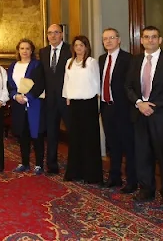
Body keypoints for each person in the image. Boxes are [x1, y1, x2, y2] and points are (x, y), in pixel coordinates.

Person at [125, 26, 163, 207]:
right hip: (140, 113)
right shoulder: (135, 61)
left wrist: (152, 106)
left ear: (160, 40)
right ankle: (146, 190)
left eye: (154, 37)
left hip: (162, 115)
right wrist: (139, 104)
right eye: (146, 37)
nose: (150, 40)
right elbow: (128, 86)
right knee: (143, 154)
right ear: (141, 40)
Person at [99, 28, 136, 193]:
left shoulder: (128, 59)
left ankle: (132, 181)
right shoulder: (101, 60)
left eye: (112, 38)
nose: (108, 41)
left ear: (119, 40)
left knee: (128, 146)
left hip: (124, 109)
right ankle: (114, 177)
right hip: (107, 108)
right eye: (105, 39)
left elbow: (132, 85)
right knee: (112, 146)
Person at [62, 35, 102, 184]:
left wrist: (98, 99)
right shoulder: (69, 62)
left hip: (89, 103)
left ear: (86, 47)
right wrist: (67, 97)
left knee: (89, 138)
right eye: (76, 45)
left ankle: (91, 174)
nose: (79, 48)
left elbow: (97, 82)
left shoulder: (92, 62)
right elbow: (67, 81)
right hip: (74, 104)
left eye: (81, 45)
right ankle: (75, 172)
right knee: (75, 138)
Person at [7, 39, 45, 175]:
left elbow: (40, 84)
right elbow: (9, 84)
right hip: (18, 103)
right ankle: (24, 162)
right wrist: (14, 95)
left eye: (27, 48)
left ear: (31, 51)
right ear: (18, 50)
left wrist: (27, 97)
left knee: (36, 134)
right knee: (22, 134)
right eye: (22, 48)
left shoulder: (36, 65)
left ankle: (39, 164)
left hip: (34, 103)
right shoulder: (13, 66)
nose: (24, 51)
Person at [39, 24, 71, 174]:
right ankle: (52, 165)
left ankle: (74, 165)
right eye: (50, 33)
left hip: (67, 99)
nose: (53, 36)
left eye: (56, 33)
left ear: (62, 34)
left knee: (73, 132)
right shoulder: (43, 52)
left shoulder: (71, 50)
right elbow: (41, 76)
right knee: (51, 133)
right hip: (49, 100)